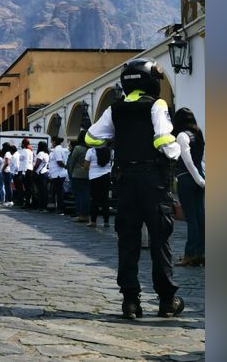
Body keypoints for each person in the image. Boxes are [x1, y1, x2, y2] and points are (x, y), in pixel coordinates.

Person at [85, 58, 184, 319]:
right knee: (159, 241)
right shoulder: (157, 105)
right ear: (151, 80)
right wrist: (174, 152)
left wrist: (118, 137)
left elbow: (90, 137)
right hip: (153, 180)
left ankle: (130, 302)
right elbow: (163, 138)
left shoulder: (114, 109)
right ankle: (166, 301)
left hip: (124, 180)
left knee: (127, 241)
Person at [173, 108, 205, 267]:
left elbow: (187, 161)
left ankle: (190, 254)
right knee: (200, 217)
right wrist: (201, 179)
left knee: (191, 218)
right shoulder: (198, 134)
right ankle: (202, 253)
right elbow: (199, 160)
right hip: (199, 177)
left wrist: (198, 179)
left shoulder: (181, 136)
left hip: (187, 179)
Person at [85, 143, 114, 227]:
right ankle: (106, 222)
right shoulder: (111, 151)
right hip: (106, 176)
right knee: (105, 199)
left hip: (94, 177)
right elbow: (112, 161)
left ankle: (93, 221)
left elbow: (86, 165)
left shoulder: (91, 151)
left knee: (95, 200)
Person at [67, 133, 91, 223]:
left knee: (79, 196)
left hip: (77, 175)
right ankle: (86, 215)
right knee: (86, 195)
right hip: (88, 175)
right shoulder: (89, 149)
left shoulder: (78, 148)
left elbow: (72, 162)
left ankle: (80, 215)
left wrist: (71, 172)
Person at [48, 136, 70, 214]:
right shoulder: (61, 149)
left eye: (52, 142)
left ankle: (60, 209)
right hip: (59, 173)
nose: (51, 143)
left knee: (59, 192)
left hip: (58, 174)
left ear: (54, 142)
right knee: (59, 192)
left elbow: (59, 161)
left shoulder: (57, 150)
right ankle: (59, 208)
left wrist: (65, 166)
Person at [33, 143, 50, 211]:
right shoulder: (46, 154)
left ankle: (41, 207)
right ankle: (44, 206)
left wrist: (33, 171)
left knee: (40, 191)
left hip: (40, 174)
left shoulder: (40, 153)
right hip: (45, 173)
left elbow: (37, 164)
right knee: (44, 191)